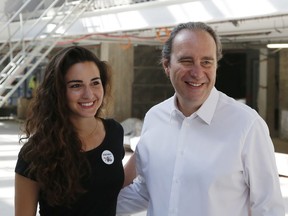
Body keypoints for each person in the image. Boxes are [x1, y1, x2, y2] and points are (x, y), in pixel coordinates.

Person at [117, 22, 285, 215]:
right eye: (187, 61)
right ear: (167, 66)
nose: (197, 72)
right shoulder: (155, 118)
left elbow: (269, 208)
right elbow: (148, 190)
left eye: (206, 62)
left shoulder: (246, 125)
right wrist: (88, 206)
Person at [15, 46, 126, 216]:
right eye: (76, 85)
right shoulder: (35, 152)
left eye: (95, 83)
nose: (89, 94)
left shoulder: (113, 132)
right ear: (58, 92)